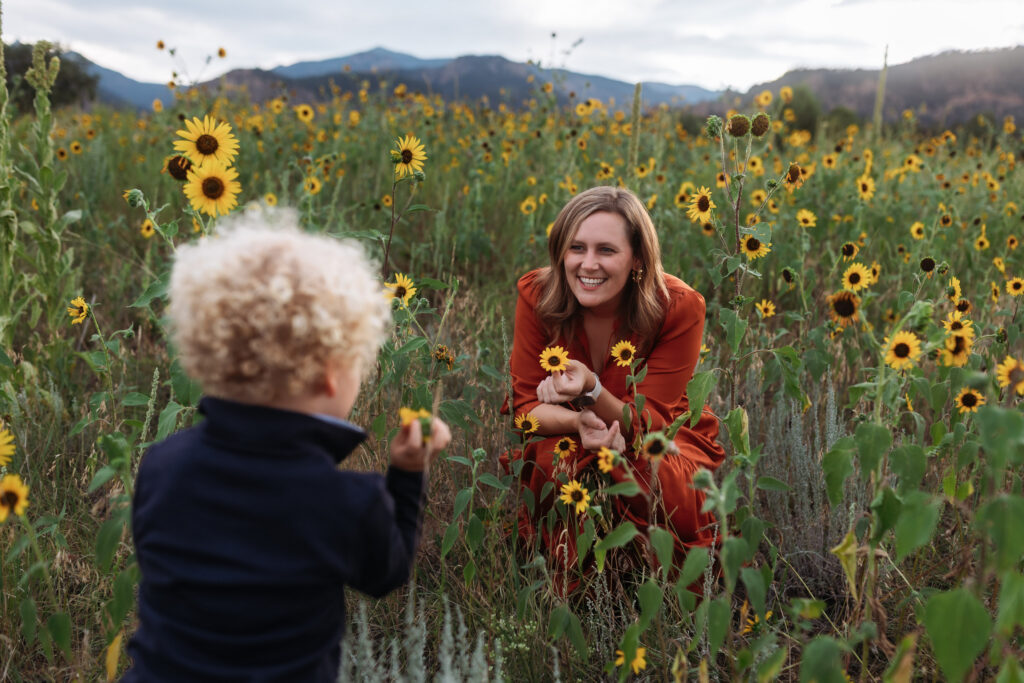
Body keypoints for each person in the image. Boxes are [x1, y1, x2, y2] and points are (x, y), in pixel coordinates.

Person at [123, 210, 450, 682]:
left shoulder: (162, 465)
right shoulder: (343, 502)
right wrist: (407, 472)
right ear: (328, 375)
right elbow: (387, 573)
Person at [502, 186, 725, 588]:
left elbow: (649, 420)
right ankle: (582, 585)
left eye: (606, 250)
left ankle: (651, 586)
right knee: (560, 465)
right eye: (576, 248)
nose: (588, 264)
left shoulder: (678, 307)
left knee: (664, 486)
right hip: (570, 428)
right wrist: (579, 421)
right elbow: (525, 412)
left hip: (659, 431)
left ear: (637, 258)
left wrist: (590, 388)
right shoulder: (537, 295)